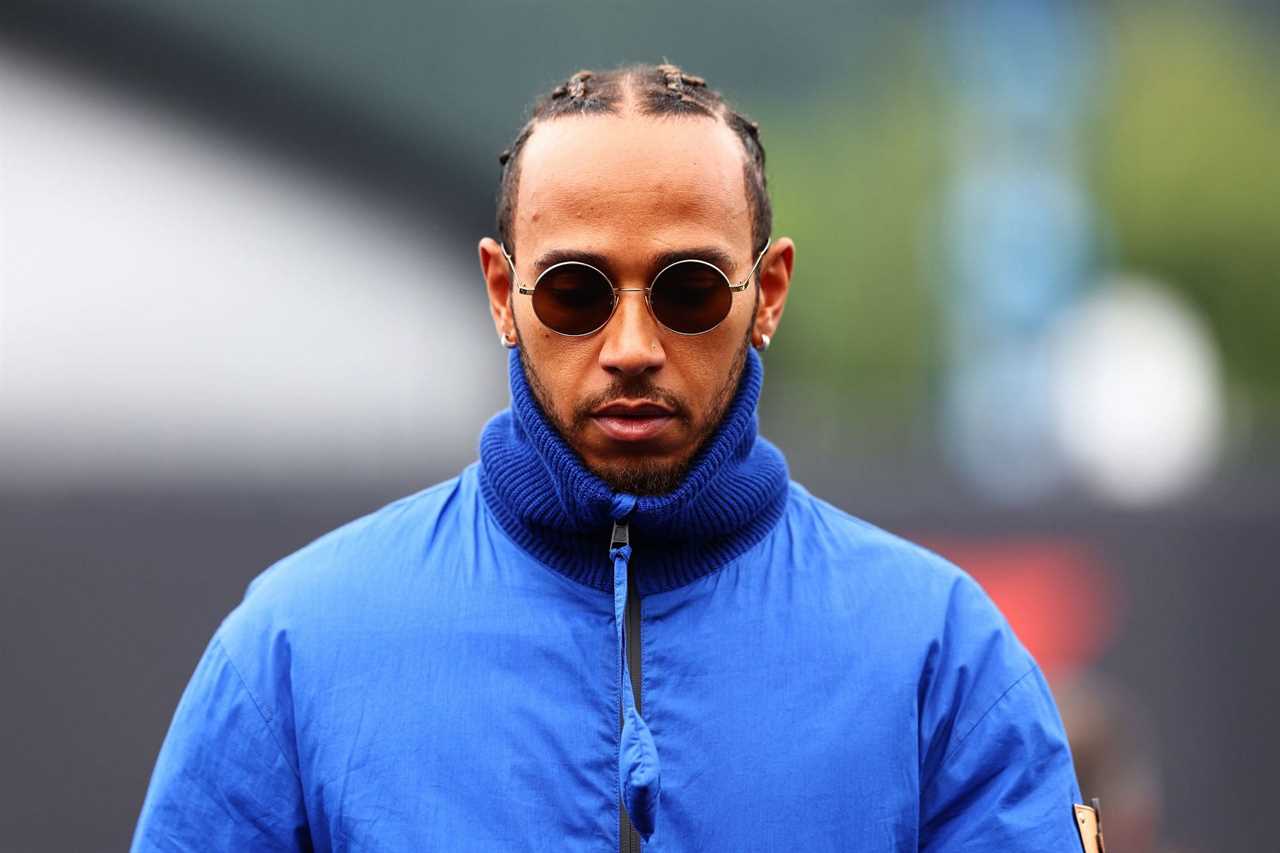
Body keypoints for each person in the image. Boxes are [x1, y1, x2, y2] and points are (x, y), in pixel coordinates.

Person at [132, 62, 1084, 851]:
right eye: (579, 292)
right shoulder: (296, 648)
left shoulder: (941, 652)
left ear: (771, 290)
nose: (632, 343)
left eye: (690, 289)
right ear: (503, 293)